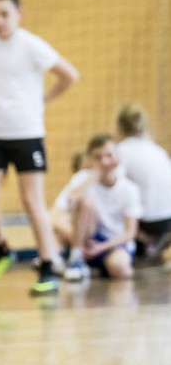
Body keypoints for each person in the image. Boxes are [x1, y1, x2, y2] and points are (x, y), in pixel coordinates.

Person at [0, 0, 79, 295]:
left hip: (27, 133)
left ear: (19, 14)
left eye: (5, 14)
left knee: (32, 200)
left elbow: (69, 75)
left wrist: (43, 100)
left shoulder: (33, 45)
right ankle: (2, 248)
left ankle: (48, 264)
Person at [63, 134, 142, 281]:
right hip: (87, 238)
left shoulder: (130, 189)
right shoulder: (83, 178)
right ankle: (75, 259)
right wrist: (94, 176)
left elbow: (130, 233)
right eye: (98, 157)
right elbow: (70, 199)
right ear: (90, 160)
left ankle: (104, 265)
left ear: (117, 157)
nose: (104, 162)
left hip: (112, 243)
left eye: (109, 156)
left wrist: (101, 247)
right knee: (83, 200)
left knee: (120, 268)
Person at [114, 103, 171, 262]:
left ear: (119, 126)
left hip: (147, 222)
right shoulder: (157, 150)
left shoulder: (121, 150)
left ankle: (142, 239)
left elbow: (115, 187)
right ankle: (154, 240)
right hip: (168, 219)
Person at [50, 151, 91, 254]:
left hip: (93, 232)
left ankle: (77, 250)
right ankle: (55, 258)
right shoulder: (76, 182)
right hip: (79, 235)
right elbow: (54, 216)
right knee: (56, 228)